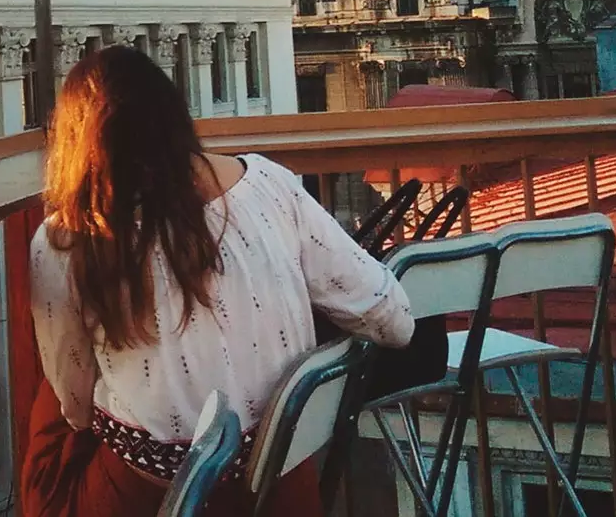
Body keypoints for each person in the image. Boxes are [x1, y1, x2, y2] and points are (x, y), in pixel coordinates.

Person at [24, 46, 413, 516]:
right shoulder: (268, 183)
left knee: (49, 440)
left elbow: (76, 410)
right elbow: (396, 322)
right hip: (279, 488)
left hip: (158, 497)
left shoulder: (67, 242)